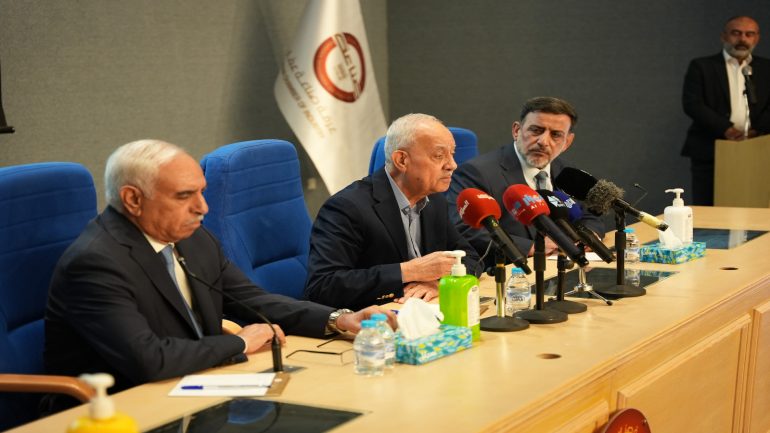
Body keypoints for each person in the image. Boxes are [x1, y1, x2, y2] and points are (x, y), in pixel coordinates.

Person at [44, 139, 394, 400]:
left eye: (202, 192)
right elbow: (148, 360)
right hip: (120, 406)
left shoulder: (192, 238)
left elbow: (254, 300)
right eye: (184, 196)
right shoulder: (95, 263)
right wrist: (240, 341)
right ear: (133, 199)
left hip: (195, 385)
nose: (203, 208)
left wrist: (339, 319)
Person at [304, 113, 480, 310]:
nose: (452, 165)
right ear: (401, 160)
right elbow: (322, 287)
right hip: (373, 320)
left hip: (425, 312)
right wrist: (408, 271)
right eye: (439, 156)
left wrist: (439, 283)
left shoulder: (434, 200)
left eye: (452, 154)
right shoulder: (347, 207)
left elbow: (470, 258)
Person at [447, 96, 605, 268]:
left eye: (556, 135)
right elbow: (464, 228)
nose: (543, 142)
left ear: (567, 142)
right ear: (516, 131)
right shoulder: (477, 172)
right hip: (512, 270)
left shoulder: (565, 171)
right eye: (536, 130)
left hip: (563, 266)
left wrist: (590, 235)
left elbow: (588, 213)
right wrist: (531, 247)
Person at [682, 15, 770, 206]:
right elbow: (692, 103)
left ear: (757, 38)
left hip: (758, 148)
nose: (742, 39)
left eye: (749, 34)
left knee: (756, 205)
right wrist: (726, 129)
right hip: (711, 149)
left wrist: (756, 130)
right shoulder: (702, 66)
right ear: (724, 36)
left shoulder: (767, 68)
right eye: (736, 33)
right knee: (709, 207)